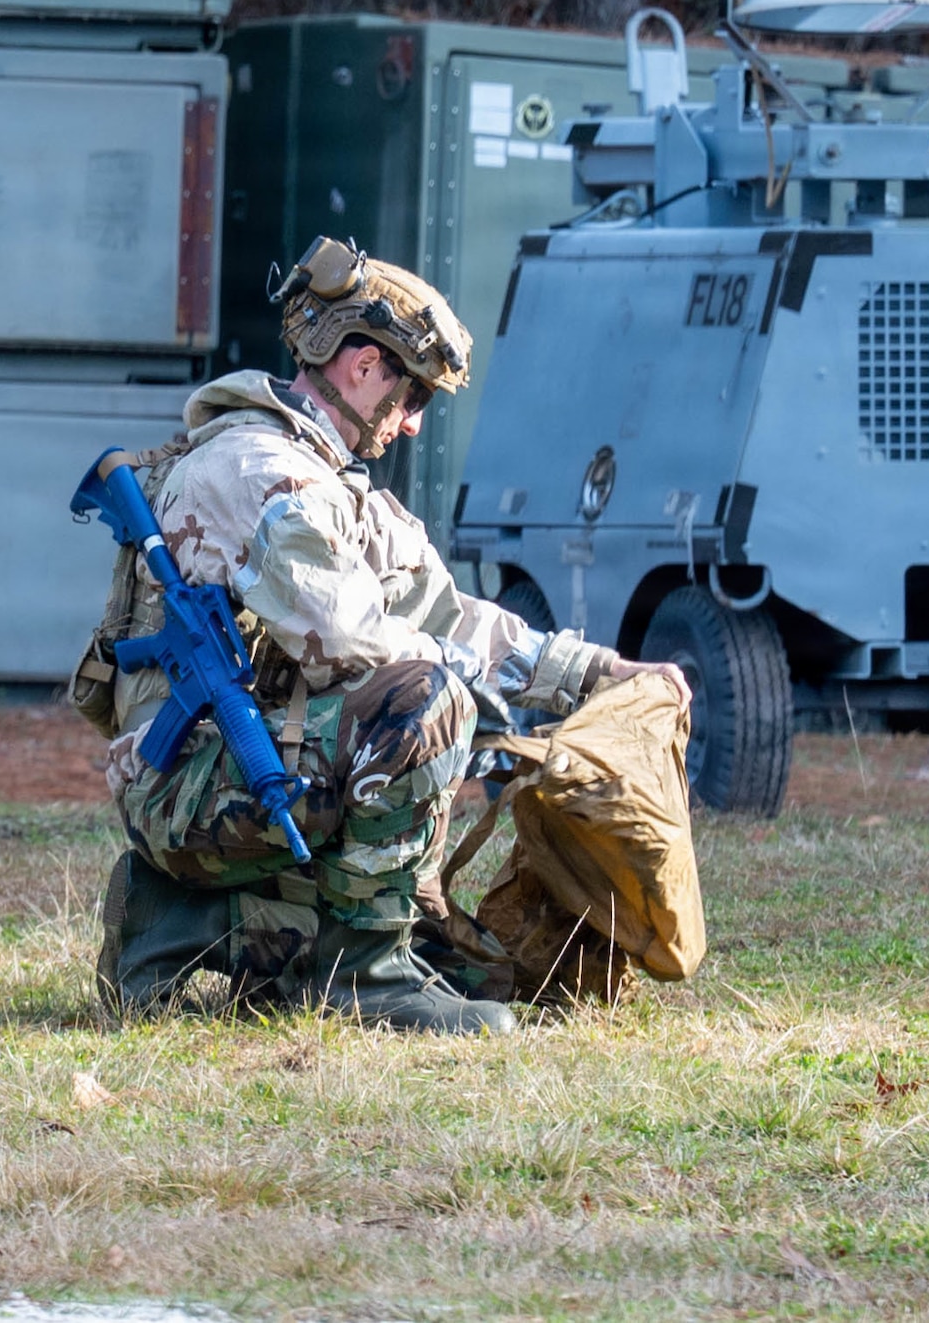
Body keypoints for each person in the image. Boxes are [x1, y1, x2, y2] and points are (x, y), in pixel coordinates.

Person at [89, 237, 683, 1035]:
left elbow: (450, 615)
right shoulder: (263, 471)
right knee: (426, 699)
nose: (409, 425)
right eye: (415, 396)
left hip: (238, 773)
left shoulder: (331, 484)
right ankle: (361, 975)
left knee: (495, 973)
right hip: (188, 788)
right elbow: (344, 638)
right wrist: (464, 684)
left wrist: (597, 673)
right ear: (363, 367)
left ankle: (179, 926)